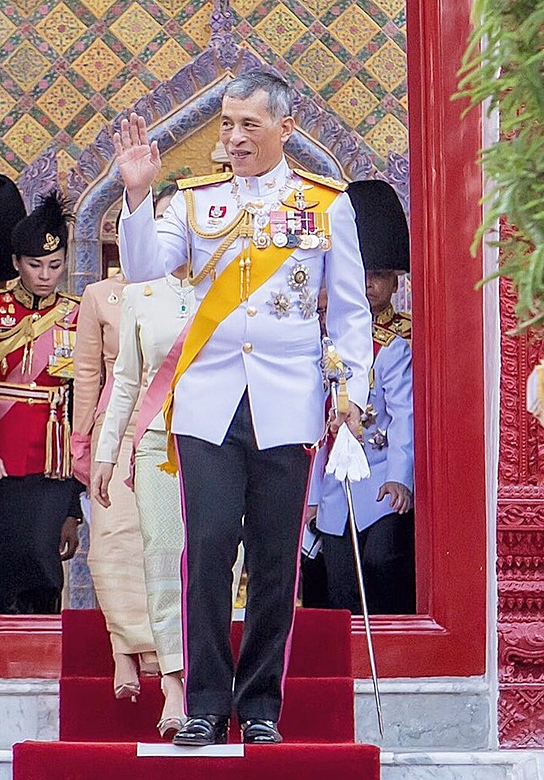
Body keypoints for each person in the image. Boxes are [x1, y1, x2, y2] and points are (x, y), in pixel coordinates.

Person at [113, 68, 373, 745]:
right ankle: (205, 702)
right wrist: (137, 195)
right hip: (209, 403)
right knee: (206, 547)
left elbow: (349, 312)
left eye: (248, 125)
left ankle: (259, 705)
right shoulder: (195, 202)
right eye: (227, 124)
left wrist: (351, 392)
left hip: (288, 404)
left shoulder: (326, 204)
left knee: (274, 557)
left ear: (286, 127)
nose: (233, 137)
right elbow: (143, 268)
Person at [92, 186, 191, 738]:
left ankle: (202, 673)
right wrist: (106, 452)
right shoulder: (140, 295)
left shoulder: (230, 285)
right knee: (161, 549)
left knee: (213, 558)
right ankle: (173, 682)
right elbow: (125, 380)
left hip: (221, 439)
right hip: (155, 439)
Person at [0, 191, 84, 614]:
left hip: (54, 462)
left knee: (43, 565)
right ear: (16, 262)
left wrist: (74, 506)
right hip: (0, 457)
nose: (45, 275)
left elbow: (82, 402)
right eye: (35, 265)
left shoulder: (77, 314)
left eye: (55, 265)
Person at [311, 179, 415, 615]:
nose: (369, 285)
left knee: (384, 567)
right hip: (335, 488)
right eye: (362, 274)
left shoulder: (399, 342)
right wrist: (312, 492)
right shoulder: (323, 341)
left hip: (383, 478)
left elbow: (406, 415)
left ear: (395, 281)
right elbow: (317, 422)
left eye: (380, 276)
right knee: (337, 589)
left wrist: (401, 477)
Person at [71, 258, 158, 698]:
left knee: (161, 539)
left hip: (175, 423)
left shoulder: (193, 288)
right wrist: (81, 440)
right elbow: (87, 373)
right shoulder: (99, 296)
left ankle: (155, 649)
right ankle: (124, 647)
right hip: (115, 428)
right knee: (112, 538)